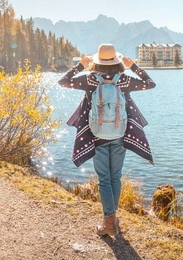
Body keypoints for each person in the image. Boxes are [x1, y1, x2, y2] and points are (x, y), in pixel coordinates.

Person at [58, 43, 156, 236]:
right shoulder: (125, 80)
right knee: (115, 177)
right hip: (119, 134)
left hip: (98, 135)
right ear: (118, 61)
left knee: (104, 180)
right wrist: (134, 66)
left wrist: (80, 66)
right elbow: (150, 83)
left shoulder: (90, 79)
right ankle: (112, 217)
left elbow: (63, 81)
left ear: (97, 61)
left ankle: (109, 223)